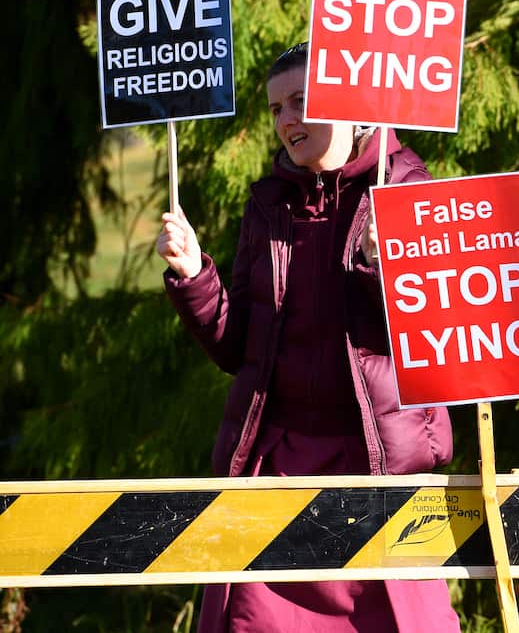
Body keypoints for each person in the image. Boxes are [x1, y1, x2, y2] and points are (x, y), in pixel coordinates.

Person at [156, 42, 459, 632]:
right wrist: (195, 276)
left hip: (380, 474)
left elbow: (439, 343)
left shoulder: (409, 188)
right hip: (278, 472)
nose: (287, 121)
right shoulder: (265, 204)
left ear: (350, 103)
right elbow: (237, 344)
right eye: (275, 110)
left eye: (301, 101)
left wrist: (385, 270)